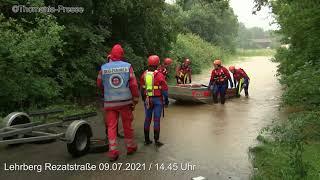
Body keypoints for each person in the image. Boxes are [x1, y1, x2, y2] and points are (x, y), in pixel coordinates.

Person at [97, 44, 139, 161]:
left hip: (109, 102)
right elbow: (134, 85)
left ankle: (113, 152)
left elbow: (99, 83)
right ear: (122, 55)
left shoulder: (103, 68)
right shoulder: (127, 67)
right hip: (125, 102)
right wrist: (135, 98)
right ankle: (130, 147)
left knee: (111, 127)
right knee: (127, 125)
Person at [140, 55, 169, 147]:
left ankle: (147, 140)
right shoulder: (159, 75)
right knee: (156, 120)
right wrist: (167, 100)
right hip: (157, 101)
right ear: (157, 64)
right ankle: (156, 141)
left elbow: (141, 88)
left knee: (147, 119)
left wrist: (143, 98)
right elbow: (164, 90)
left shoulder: (144, 74)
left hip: (147, 99)